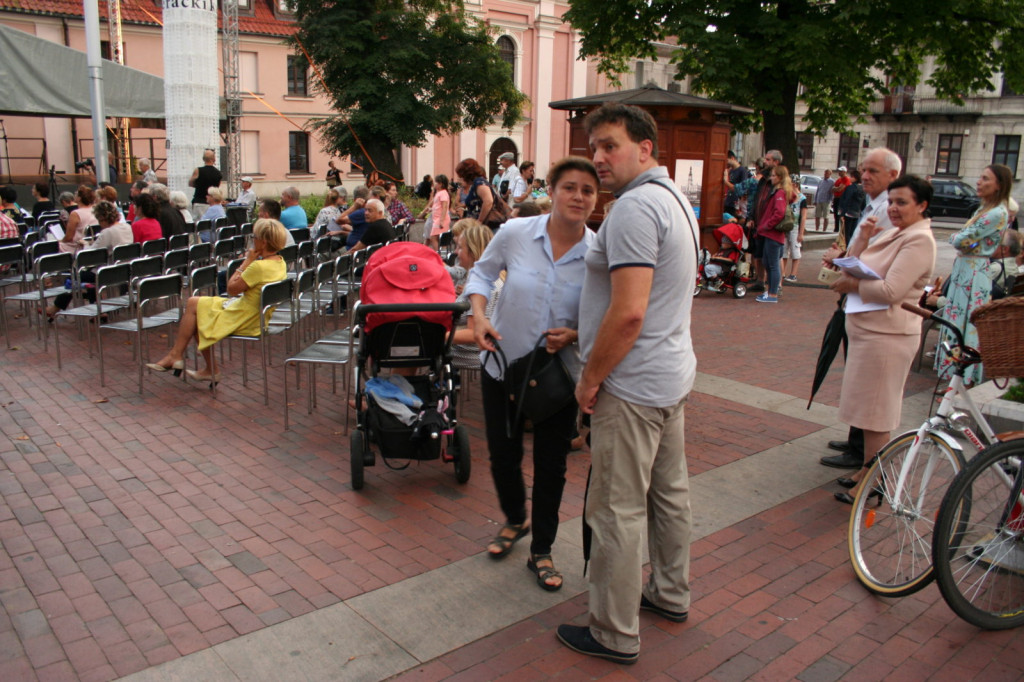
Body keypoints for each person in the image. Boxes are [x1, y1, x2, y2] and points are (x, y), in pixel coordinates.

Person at [558, 104, 698, 664]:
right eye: (594, 147)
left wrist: (590, 379)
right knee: (669, 496)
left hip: (633, 384)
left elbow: (630, 311)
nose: (598, 158)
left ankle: (614, 631)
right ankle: (670, 591)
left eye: (609, 145)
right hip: (668, 375)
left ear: (645, 148)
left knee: (616, 509)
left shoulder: (637, 208)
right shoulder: (673, 200)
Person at [467, 156, 598, 593]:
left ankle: (541, 548)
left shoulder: (598, 252)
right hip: (501, 362)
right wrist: (479, 317)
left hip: (558, 375)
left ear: (595, 200)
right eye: (570, 187)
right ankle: (514, 518)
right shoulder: (516, 233)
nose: (578, 196)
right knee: (503, 454)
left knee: (552, 464)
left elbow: (607, 314)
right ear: (552, 192)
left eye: (588, 190)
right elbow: (482, 273)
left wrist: (577, 334)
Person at [827, 175, 937, 503]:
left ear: (922, 206)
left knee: (877, 413)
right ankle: (867, 468)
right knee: (866, 410)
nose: (893, 208)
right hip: (868, 333)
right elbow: (852, 265)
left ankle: (877, 480)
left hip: (888, 336)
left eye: (902, 202)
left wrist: (854, 287)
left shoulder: (919, 240)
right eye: (891, 202)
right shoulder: (894, 232)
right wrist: (861, 235)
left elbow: (891, 291)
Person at [819, 148, 903, 471]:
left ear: (893, 176)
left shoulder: (888, 209)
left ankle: (861, 450)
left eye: (873, 171)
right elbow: (860, 251)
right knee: (855, 374)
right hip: (857, 301)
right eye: (863, 170)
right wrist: (841, 256)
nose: (864, 176)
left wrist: (846, 265)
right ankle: (856, 439)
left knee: (868, 386)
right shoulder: (874, 204)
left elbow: (875, 262)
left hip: (871, 306)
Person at [147, 218, 288, 383]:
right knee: (194, 302)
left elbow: (231, 289)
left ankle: (192, 362)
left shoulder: (259, 267)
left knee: (198, 314)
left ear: (263, 242)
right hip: (256, 313)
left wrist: (247, 261)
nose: (252, 240)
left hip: (246, 317)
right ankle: (181, 357)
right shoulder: (280, 262)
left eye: (254, 236)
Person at [934, 164, 1013, 386]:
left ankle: (962, 381)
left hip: (973, 272)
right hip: (966, 269)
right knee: (956, 321)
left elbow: (961, 240)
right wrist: (963, 239)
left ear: (998, 185)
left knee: (964, 324)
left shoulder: (997, 213)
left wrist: (961, 239)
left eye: (986, 179)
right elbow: (965, 239)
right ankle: (953, 380)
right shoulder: (984, 210)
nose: (979, 182)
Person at [46, 200, 134, 318]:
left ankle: (56, 307)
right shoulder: (127, 227)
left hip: (108, 272)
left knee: (74, 277)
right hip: (124, 269)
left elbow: (90, 254)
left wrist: (85, 244)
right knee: (88, 276)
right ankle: (98, 310)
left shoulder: (107, 232)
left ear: (102, 218)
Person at [450, 221, 500, 369]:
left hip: (470, 367)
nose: (456, 252)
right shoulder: (493, 277)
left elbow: (474, 333)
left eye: (460, 247)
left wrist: (438, 336)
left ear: (472, 252)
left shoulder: (482, 287)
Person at [755, 165, 798, 303]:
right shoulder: (782, 192)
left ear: (779, 178)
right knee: (769, 262)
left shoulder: (779, 193)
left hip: (773, 233)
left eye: (773, 176)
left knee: (772, 264)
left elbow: (778, 213)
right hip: (773, 233)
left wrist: (767, 225)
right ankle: (771, 291)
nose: (771, 178)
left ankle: (772, 293)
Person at [746, 150, 783, 291]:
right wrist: (751, 217)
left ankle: (776, 286)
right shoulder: (763, 178)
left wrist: (769, 223)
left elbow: (780, 205)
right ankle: (760, 281)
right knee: (759, 254)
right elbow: (757, 199)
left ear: (776, 162)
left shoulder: (779, 180)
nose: (765, 162)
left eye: (768, 159)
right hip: (759, 222)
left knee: (773, 258)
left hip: (770, 225)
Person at [783, 179, 808, 282]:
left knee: (795, 250)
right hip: (785, 226)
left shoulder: (802, 199)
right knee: (783, 250)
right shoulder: (786, 196)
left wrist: (801, 233)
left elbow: (803, 216)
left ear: (795, 184)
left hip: (795, 226)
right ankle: (782, 272)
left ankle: (793, 274)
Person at [455, 158, 494, 224]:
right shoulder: (475, 184)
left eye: (461, 175)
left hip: (487, 224)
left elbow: (488, 201)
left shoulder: (479, 183)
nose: (461, 178)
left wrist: (480, 221)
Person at [60, 185, 96, 254]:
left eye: (76, 194)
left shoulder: (75, 214)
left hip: (77, 245)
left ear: (79, 198)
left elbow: (69, 237)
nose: (74, 195)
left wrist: (60, 241)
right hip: (91, 242)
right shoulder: (95, 210)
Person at [188, 149, 222, 218]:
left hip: (199, 201)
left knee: (199, 224)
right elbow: (217, 187)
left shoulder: (198, 170)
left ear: (203, 159)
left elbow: (190, 183)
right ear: (214, 159)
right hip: (213, 202)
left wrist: (198, 185)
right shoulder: (218, 173)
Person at [837, 169, 867, 243]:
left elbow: (847, 200)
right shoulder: (863, 188)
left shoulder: (851, 188)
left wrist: (842, 214)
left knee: (846, 233)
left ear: (855, 178)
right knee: (853, 232)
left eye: (851, 177)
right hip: (856, 213)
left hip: (848, 212)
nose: (850, 178)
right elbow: (864, 203)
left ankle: (847, 247)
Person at [423, 174, 451, 251]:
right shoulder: (439, 193)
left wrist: (441, 220)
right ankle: (438, 252)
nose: (434, 184)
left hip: (440, 219)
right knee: (435, 237)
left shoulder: (443, 193)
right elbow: (437, 206)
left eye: (436, 182)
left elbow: (444, 207)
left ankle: (437, 253)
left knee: (433, 237)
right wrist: (431, 209)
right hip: (437, 218)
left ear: (440, 184)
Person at [722, 150, 751, 216]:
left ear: (732, 158)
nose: (726, 163)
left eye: (727, 160)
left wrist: (726, 181)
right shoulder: (731, 170)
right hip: (729, 202)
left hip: (736, 204)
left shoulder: (742, 171)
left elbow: (742, 189)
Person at [831, 166, 851, 233]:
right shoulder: (839, 180)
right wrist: (835, 188)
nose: (839, 172)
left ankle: (842, 229)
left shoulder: (846, 179)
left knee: (841, 214)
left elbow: (840, 188)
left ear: (845, 172)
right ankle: (836, 228)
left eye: (841, 171)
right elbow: (833, 188)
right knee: (836, 214)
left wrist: (835, 188)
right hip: (836, 198)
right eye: (839, 171)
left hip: (841, 198)